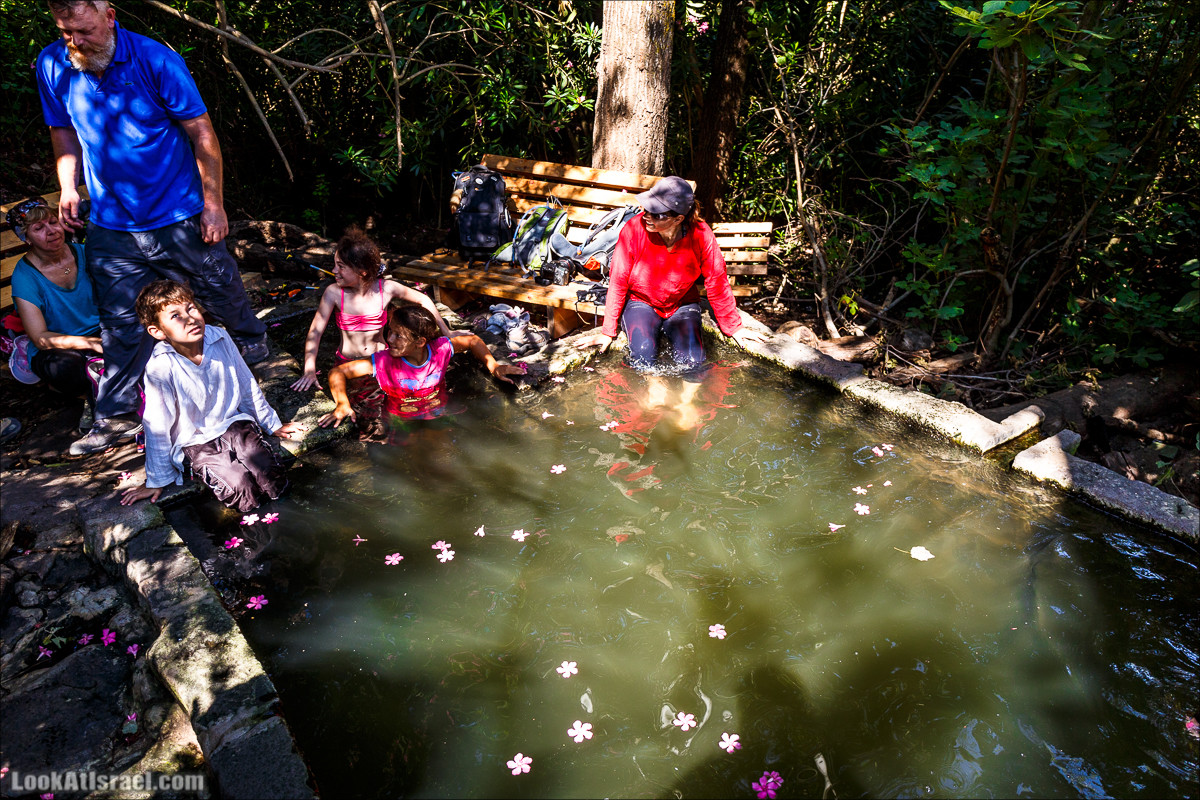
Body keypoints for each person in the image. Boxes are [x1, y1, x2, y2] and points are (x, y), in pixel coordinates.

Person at [36, 0, 271, 455]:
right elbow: (61, 129)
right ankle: (117, 415)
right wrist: (68, 185)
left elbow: (201, 132)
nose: (74, 42)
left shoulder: (156, 60)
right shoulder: (53, 63)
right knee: (121, 324)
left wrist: (213, 204)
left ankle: (253, 353)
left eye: (83, 31)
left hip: (178, 213)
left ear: (110, 16)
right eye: (66, 32)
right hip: (111, 223)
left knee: (219, 289)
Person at [576, 176, 764, 425]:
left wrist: (734, 328)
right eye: (647, 209)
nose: (647, 215)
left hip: (683, 304)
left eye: (656, 213)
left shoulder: (701, 235)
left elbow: (716, 281)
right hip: (641, 302)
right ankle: (656, 391)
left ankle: (686, 403)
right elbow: (619, 279)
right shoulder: (633, 230)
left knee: (693, 359)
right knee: (642, 353)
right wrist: (608, 332)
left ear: (678, 219)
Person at [120, 280, 301, 512]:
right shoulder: (161, 366)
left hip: (233, 424)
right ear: (157, 331)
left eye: (191, 308)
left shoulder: (219, 337)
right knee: (238, 486)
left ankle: (286, 517)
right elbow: (157, 424)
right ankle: (261, 529)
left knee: (268, 474)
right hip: (195, 440)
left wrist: (271, 424)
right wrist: (158, 479)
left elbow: (246, 383)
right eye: (176, 316)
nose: (190, 318)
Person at [317, 303, 523, 441]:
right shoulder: (383, 362)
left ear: (420, 342)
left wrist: (494, 366)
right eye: (390, 331)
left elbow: (472, 340)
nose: (389, 339)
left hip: (438, 413)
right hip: (402, 422)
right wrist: (343, 404)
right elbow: (337, 372)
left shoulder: (441, 349)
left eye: (398, 335)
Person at [290, 230, 455, 391]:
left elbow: (423, 299)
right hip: (347, 363)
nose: (334, 271)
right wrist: (309, 370)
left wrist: (446, 332)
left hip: (381, 362)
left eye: (340, 266)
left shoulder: (386, 289)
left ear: (362, 271)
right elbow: (315, 332)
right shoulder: (334, 293)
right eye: (335, 265)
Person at [7, 197, 102, 431]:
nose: (51, 231)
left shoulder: (84, 253)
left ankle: (102, 392)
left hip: (100, 331)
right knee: (65, 366)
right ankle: (97, 401)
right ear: (26, 238)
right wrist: (90, 343)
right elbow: (40, 337)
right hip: (57, 345)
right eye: (39, 228)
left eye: (53, 222)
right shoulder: (25, 276)